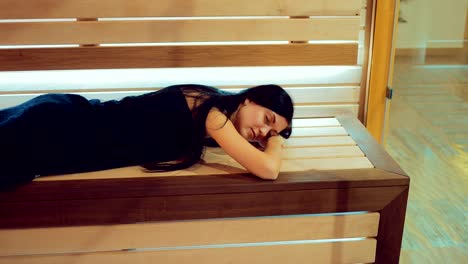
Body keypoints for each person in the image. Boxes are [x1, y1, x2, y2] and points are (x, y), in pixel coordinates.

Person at [0, 84, 294, 189]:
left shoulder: (212, 111)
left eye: (270, 133)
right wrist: (276, 142)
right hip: (60, 127)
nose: (263, 133)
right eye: (267, 120)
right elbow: (268, 169)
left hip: (64, 126)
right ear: (249, 99)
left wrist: (270, 136)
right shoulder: (213, 114)